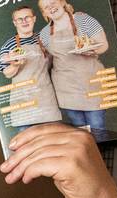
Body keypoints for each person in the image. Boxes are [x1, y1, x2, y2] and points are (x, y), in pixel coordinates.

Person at [38, 0, 110, 130]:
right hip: (66, 90)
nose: (51, 7)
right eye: (46, 7)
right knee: (79, 130)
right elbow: (48, 61)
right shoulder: (44, 33)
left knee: (97, 127)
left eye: (53, 2)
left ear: (62, 2)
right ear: (44, 12)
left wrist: (92, 50)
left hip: (92, 85)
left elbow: (103, 45)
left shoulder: (83, 19)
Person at [0, 5, 62, 131]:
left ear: (34, 19)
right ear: (14, 23)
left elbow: (55, 61)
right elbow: (7, 73)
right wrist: (14, 65)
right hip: (23, 103)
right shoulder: (8, 46)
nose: (24, 21)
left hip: (46, 99)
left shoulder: (44, 39)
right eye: (20, 19)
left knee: (53, 142)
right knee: (30, 146)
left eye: (27, 17)